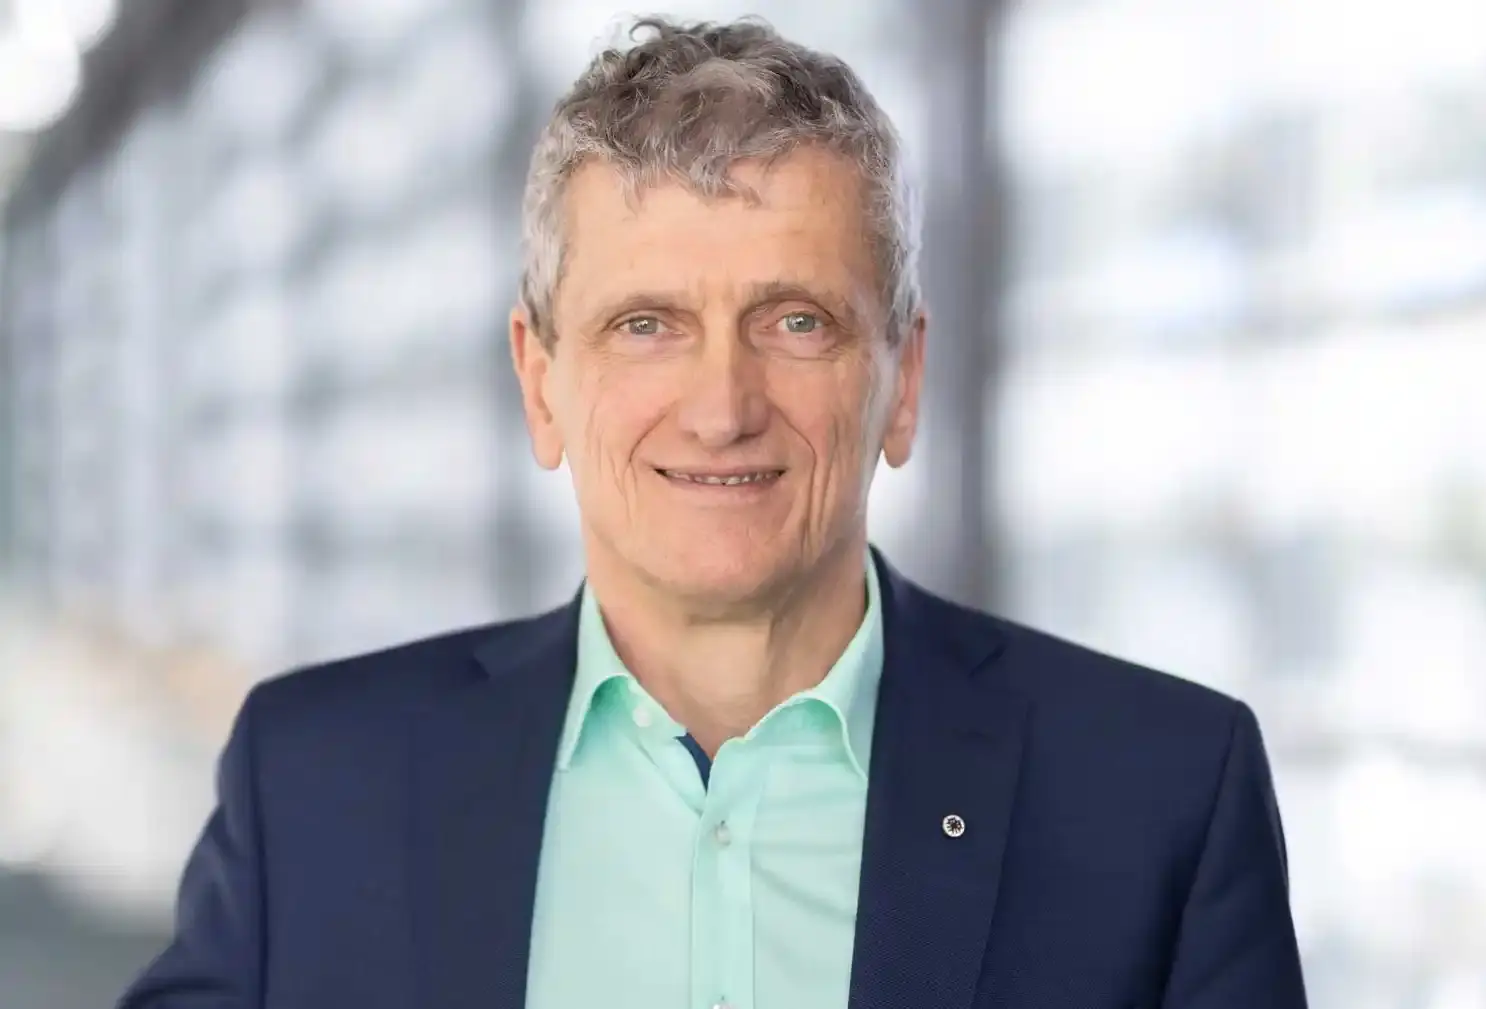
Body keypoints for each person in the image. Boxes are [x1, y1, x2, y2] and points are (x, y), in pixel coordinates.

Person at [120, 17, 1309, 1009]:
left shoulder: (1155, 798)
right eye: (646, 324)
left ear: (903, 380)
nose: (721, 406)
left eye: (797, 321)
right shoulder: (317, 787)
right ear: (541, 381)